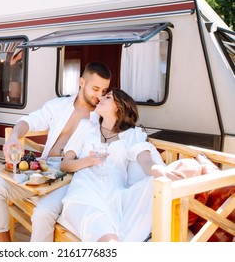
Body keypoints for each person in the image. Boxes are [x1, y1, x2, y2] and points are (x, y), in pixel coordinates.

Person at [0, 61, 112, 242]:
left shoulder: (100, 119)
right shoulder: (58, 105)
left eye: (104, 91)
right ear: (82, 82)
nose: (99, 96)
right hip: (41, 168)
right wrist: (14, 137)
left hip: (70, 177)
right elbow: (29, 121)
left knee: (43, 213)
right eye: (96, 89)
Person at [57, 88, 202, 242]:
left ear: (119, 107)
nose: (100, 98)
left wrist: (162, 172)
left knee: (161, 181)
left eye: (107, 97)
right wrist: (88, 161)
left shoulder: (132, 135)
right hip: (85, 194)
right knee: (109, 241)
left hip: (117, 197)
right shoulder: (86, 129)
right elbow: (65, 165)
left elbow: (146, 161)